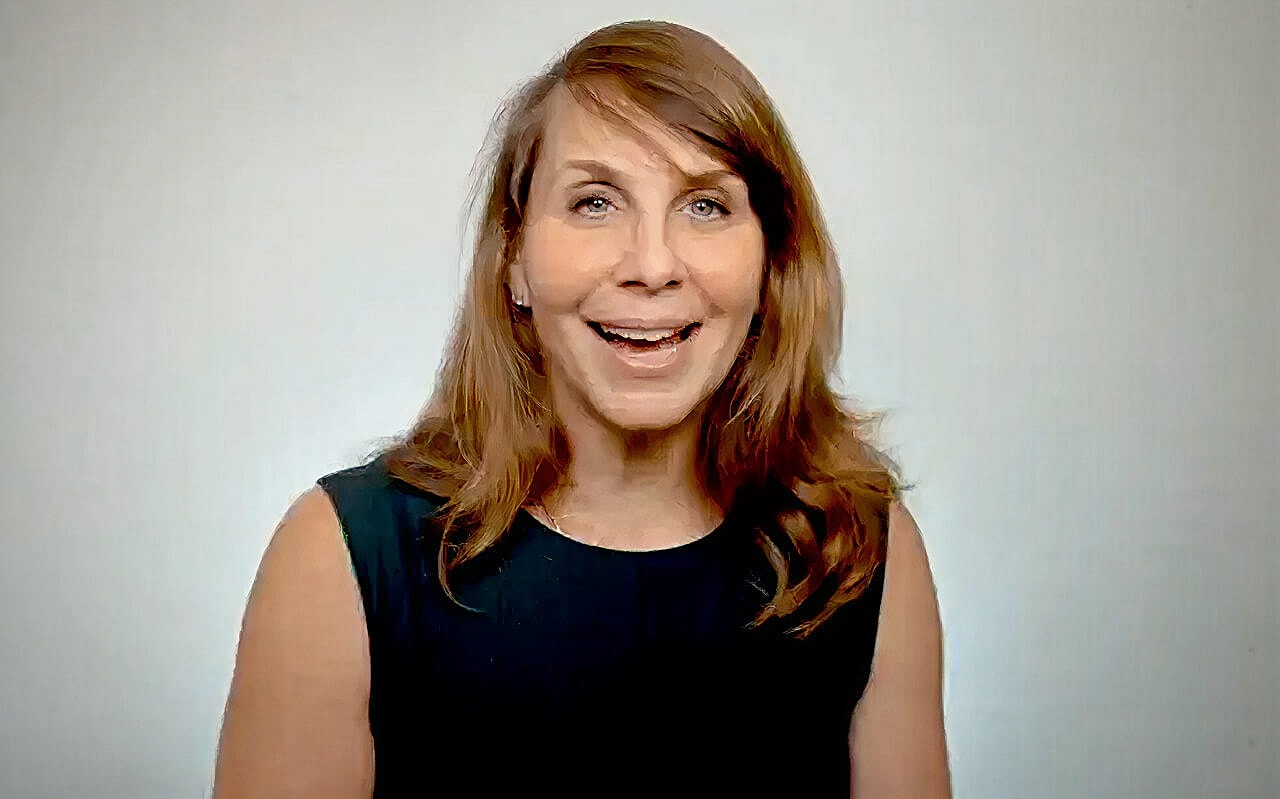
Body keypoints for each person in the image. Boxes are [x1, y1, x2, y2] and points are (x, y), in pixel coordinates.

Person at [212, 19, 951, 799]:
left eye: (704, 206)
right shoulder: (340, 556)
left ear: (771, 262)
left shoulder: (860, 554)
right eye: (596, 202)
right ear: (514, 260)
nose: (653, 266)